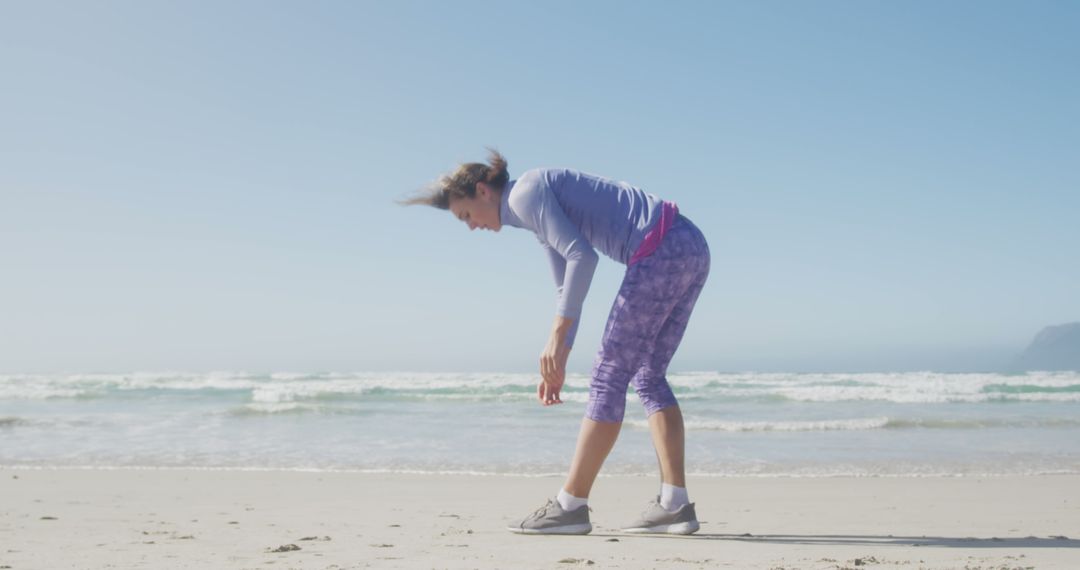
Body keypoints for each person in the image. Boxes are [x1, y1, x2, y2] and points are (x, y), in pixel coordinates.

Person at [403, 150, 710, 535]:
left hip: (661, 248)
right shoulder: (532, 208)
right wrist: (558, 358)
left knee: (608, 376)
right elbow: (566, 285)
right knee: (648, 376)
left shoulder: (524, 195)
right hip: (690, 245)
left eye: (465, 215)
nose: (470, 226)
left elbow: (583, 257)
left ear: (482, 191)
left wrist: (556, 338)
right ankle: (675, 504)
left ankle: (571, 506)